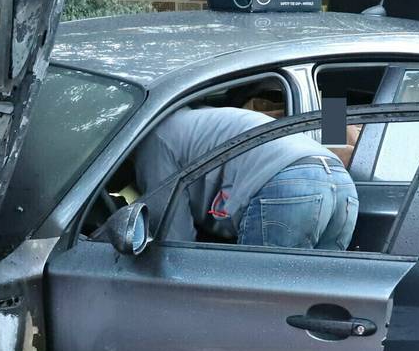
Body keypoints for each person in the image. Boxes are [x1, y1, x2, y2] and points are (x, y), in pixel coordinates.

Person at [134, 105, 358, 249]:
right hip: (342, 183)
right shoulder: (197, 121)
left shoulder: (155, 137)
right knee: (316, 302)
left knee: (260, 306)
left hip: (286, 182)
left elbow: (174, 241)